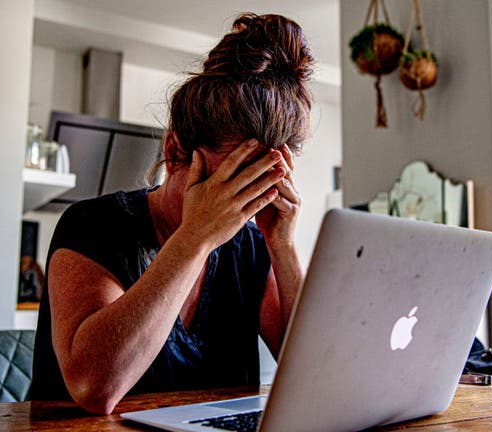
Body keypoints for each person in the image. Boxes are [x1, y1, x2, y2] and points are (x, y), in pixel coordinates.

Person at [30, 13, 315, 415]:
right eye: (224, 185)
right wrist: (196, 238)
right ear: (173, 152)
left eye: (253, 188)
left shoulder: (252, 247)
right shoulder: (92, 225)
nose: (234, 210)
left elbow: (313, 373)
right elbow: (95, 387)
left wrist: (283, 246)